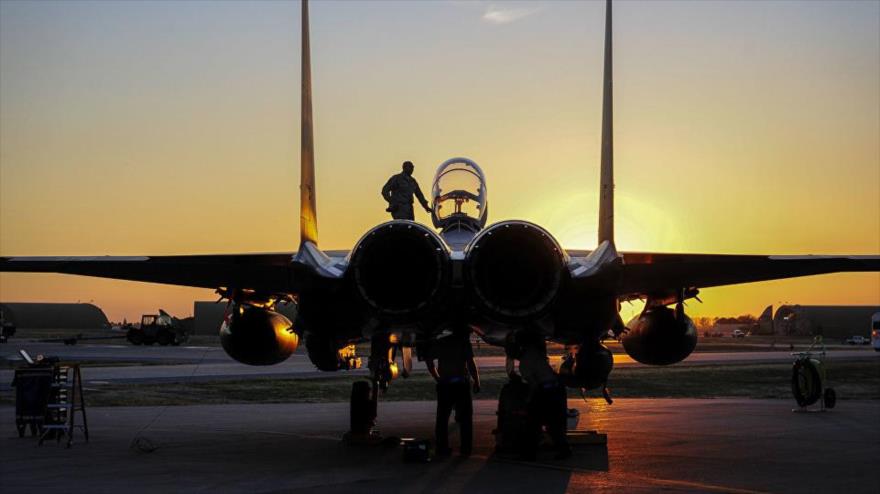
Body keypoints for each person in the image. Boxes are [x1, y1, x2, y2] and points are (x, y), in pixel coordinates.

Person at [505, 331, 571, 460]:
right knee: (554, 422)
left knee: (533, 422)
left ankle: (530, 452)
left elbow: (534, 385)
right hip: (556, 389)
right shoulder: (534, 351)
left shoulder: (525, 363)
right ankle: (563, 449)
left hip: (547, 391)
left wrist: (528, 401)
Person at [425, 328, 480, 458]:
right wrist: (477, 381)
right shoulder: (464, 344)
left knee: (442, 419)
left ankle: (442, 448)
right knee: (466, 419)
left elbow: (429, 360)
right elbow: (471, 364)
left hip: (445, 384)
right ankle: (465, 449)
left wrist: (437, 377)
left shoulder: (442, 342)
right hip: (461, 384)